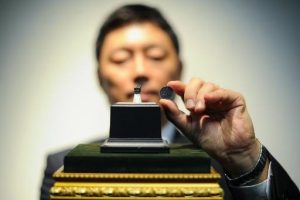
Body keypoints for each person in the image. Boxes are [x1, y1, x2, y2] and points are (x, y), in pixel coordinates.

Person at [40, 4, 300, 200]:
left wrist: (243, 158)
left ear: (178, 69)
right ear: (100, 78)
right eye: (120, 59)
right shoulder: (63, 167)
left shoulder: (224, 163)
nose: (140, 70)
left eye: (155, 56)